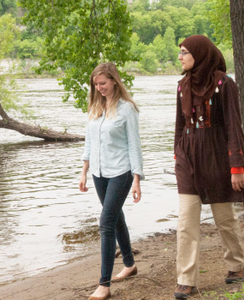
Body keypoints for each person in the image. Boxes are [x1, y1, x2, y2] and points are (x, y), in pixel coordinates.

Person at [173, 35, 244, 299]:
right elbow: (179, 126)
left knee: (225, 219)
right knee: (186, 221)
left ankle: (236, 265)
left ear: (200, 54)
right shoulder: (182, 86)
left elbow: (233, 126)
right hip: (189, 158)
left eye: (184, 52)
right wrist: (177, 155)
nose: (180, 57)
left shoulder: (224, 84)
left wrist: (237, 165)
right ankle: (186, 279)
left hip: (217, 156)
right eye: (180, 52)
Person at [79, 62, 144, 300]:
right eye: (96, 84)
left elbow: (134, 146)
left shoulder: (127, 109)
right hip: (98, 172)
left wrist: (137, 178)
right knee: (115, 217)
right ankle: (130, 264)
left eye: (103, 83)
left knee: (106, 222)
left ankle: (104, 285)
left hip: (121, 171)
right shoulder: (95, 107)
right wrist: (84, 170)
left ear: (114, 81)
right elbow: (89, 141)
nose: (99, 88)